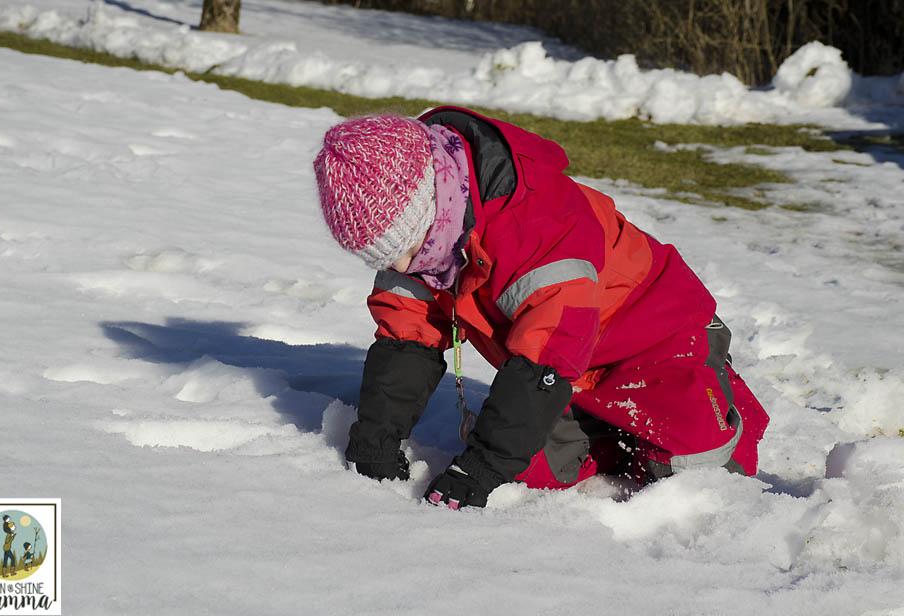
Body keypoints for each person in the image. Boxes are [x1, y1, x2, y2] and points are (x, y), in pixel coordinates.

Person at [312, 106, 770, 510]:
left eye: (403, 249)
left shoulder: (539, 227)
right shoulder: (431, 240)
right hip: (569, 369)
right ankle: (608, 427)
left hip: (654, 339)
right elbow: (406, 335)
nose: (398, 266)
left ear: (432, 207)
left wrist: (483, 467)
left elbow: (546, 356)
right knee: (529, 468)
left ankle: (714, 387)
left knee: (703, 473)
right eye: (380, 258)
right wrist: (377, 437)